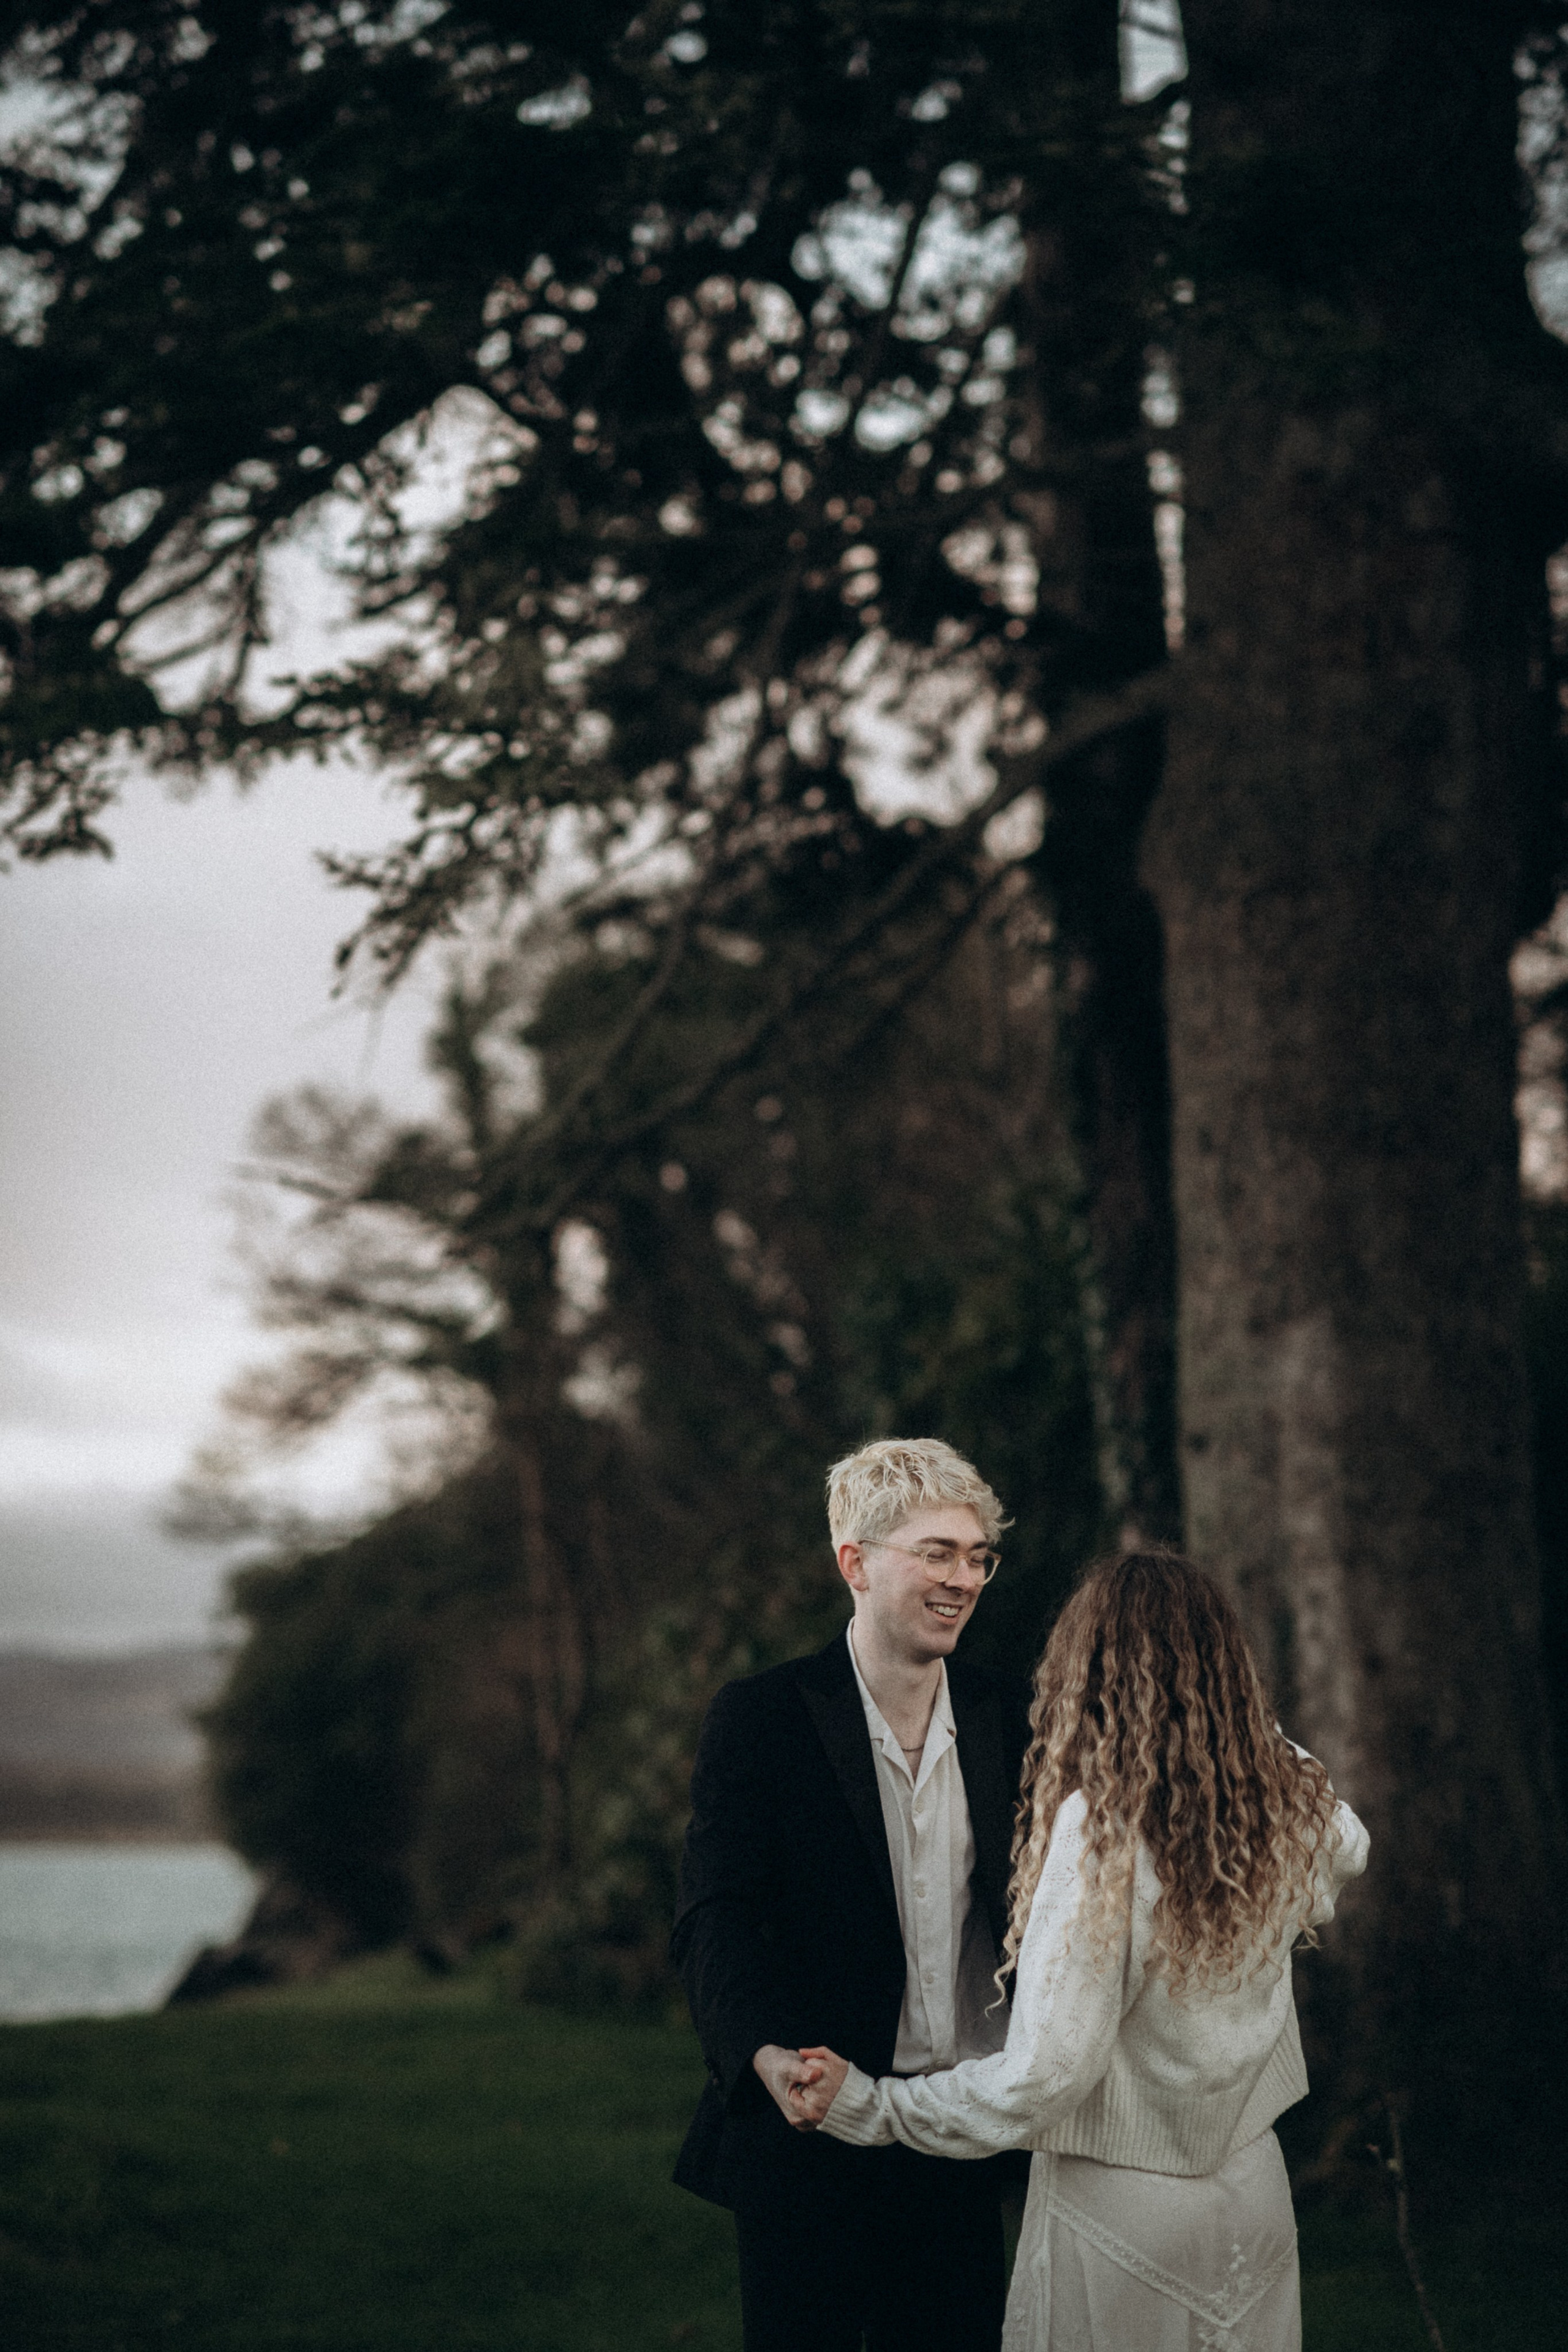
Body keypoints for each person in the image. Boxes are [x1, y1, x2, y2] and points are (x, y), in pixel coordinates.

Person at [790, 1550, 1370, 2352]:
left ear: (1089, 1673)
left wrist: (876, 2106)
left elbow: (1045, 2075)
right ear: (1228, 1668)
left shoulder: (1104, 1834)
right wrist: (1239, 1731)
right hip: (1253, 2199)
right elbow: (1352, 1847)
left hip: (1120, 2218)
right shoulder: (1279, 1797)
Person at [670, 1436, 1030, 2352]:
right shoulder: (761, 1718)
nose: (965, 1579)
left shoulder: (1015, 1716)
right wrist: (760, 2053)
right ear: (855, 1563)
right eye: (937, 1552)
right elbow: (717, 1913)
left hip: (959, 2137)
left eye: (978, 1555)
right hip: (810, 2136)